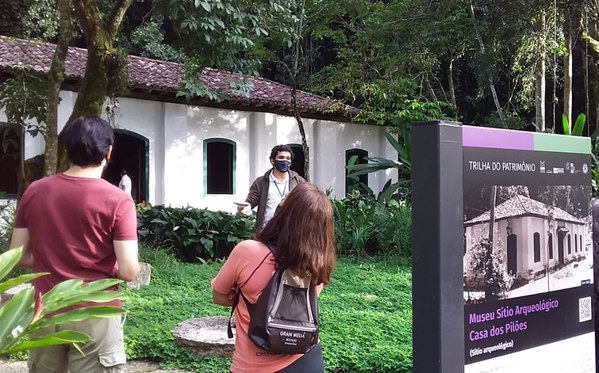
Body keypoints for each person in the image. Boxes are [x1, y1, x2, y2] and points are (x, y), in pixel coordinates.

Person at [10, 116, 140, 373]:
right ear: (108, 151)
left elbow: (16, 256)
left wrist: (54, 260)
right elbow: (128, 271)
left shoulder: (35, 190)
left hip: (44, 309)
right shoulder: (118, 200)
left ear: (67, 149)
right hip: (95, 312)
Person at [213, 182, 336, 373]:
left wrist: (246, 296)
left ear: (284, 212)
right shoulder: (318, 264)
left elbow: (219, 297)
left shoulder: (247, 251)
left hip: (254, 365)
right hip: (307, 359)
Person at [238, 144, 305, 233]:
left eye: (288, 158)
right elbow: (251, 201)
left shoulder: (298, 181)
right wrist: (245, 207)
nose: (285, 160)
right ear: (272, 161)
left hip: (290, 233)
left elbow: (307, 202)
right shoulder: (261, 182)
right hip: (266, 231)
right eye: (281, 157)